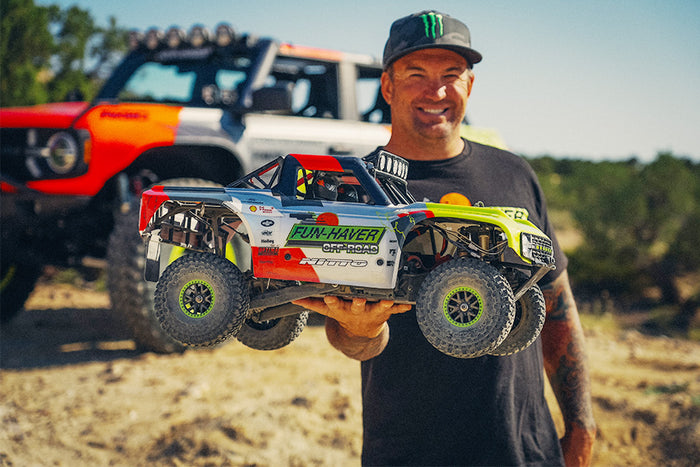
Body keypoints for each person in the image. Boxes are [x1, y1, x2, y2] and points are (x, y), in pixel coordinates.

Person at [294, 10, 596, 466]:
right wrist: (361, 329)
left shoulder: (514, 174)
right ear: (387, 86)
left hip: (525, 449)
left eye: (450, 75)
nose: (435, 92)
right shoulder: (355, 187)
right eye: (416, 74)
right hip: (409, 452)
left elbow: (555, 302)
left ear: (469, 85)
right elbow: (350, 335)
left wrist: (581, 424)